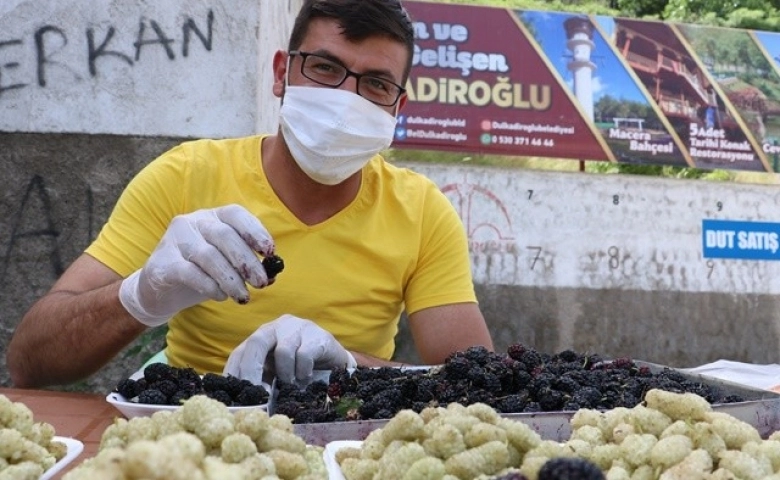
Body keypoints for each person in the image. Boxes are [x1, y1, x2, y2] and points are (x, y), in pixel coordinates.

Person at [7, 0, 494, 389]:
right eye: (325, 68)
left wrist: (348, 364)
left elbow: (480, 384)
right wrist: (139, 296)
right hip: (189, 432)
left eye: (376, 83)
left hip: (341, 440)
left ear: (398, 106)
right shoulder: (185, 176)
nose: (348, 99)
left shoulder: (423, 210)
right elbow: (30, 361)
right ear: (281, 72)